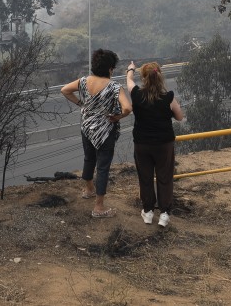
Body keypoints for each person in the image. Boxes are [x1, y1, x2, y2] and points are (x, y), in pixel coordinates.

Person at [61, 48, 131, 218]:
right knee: (103, 167)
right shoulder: (115, 87)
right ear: (109, 69)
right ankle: (99, 207)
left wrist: (81, 104)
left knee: (89, 158)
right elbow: (128, 108)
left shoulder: (83, 81)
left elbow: (64, 90)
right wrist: (118, 116)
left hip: (86, 127)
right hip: (105, 131)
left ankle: (88, 189)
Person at [125, 60, 184, 228]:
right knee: (165, 177)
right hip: (164, 144)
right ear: (160, 77)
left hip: (142, 144)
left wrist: (131, 69)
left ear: (144, 78)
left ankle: (148, 212)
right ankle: (164, 214)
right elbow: (179, 117)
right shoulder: (168, 97)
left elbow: (128, 81)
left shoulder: (136, 94)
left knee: (145, 177)